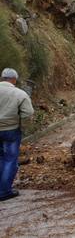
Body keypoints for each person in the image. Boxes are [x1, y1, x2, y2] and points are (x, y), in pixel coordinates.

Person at [0, 68, 34, 202]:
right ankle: (3, 191)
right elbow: (28, 113)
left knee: (1, 157)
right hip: (10, 130)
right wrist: (20, 122)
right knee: (10, 159)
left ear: (3, 77)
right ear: (14, 79)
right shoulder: (19, 94)